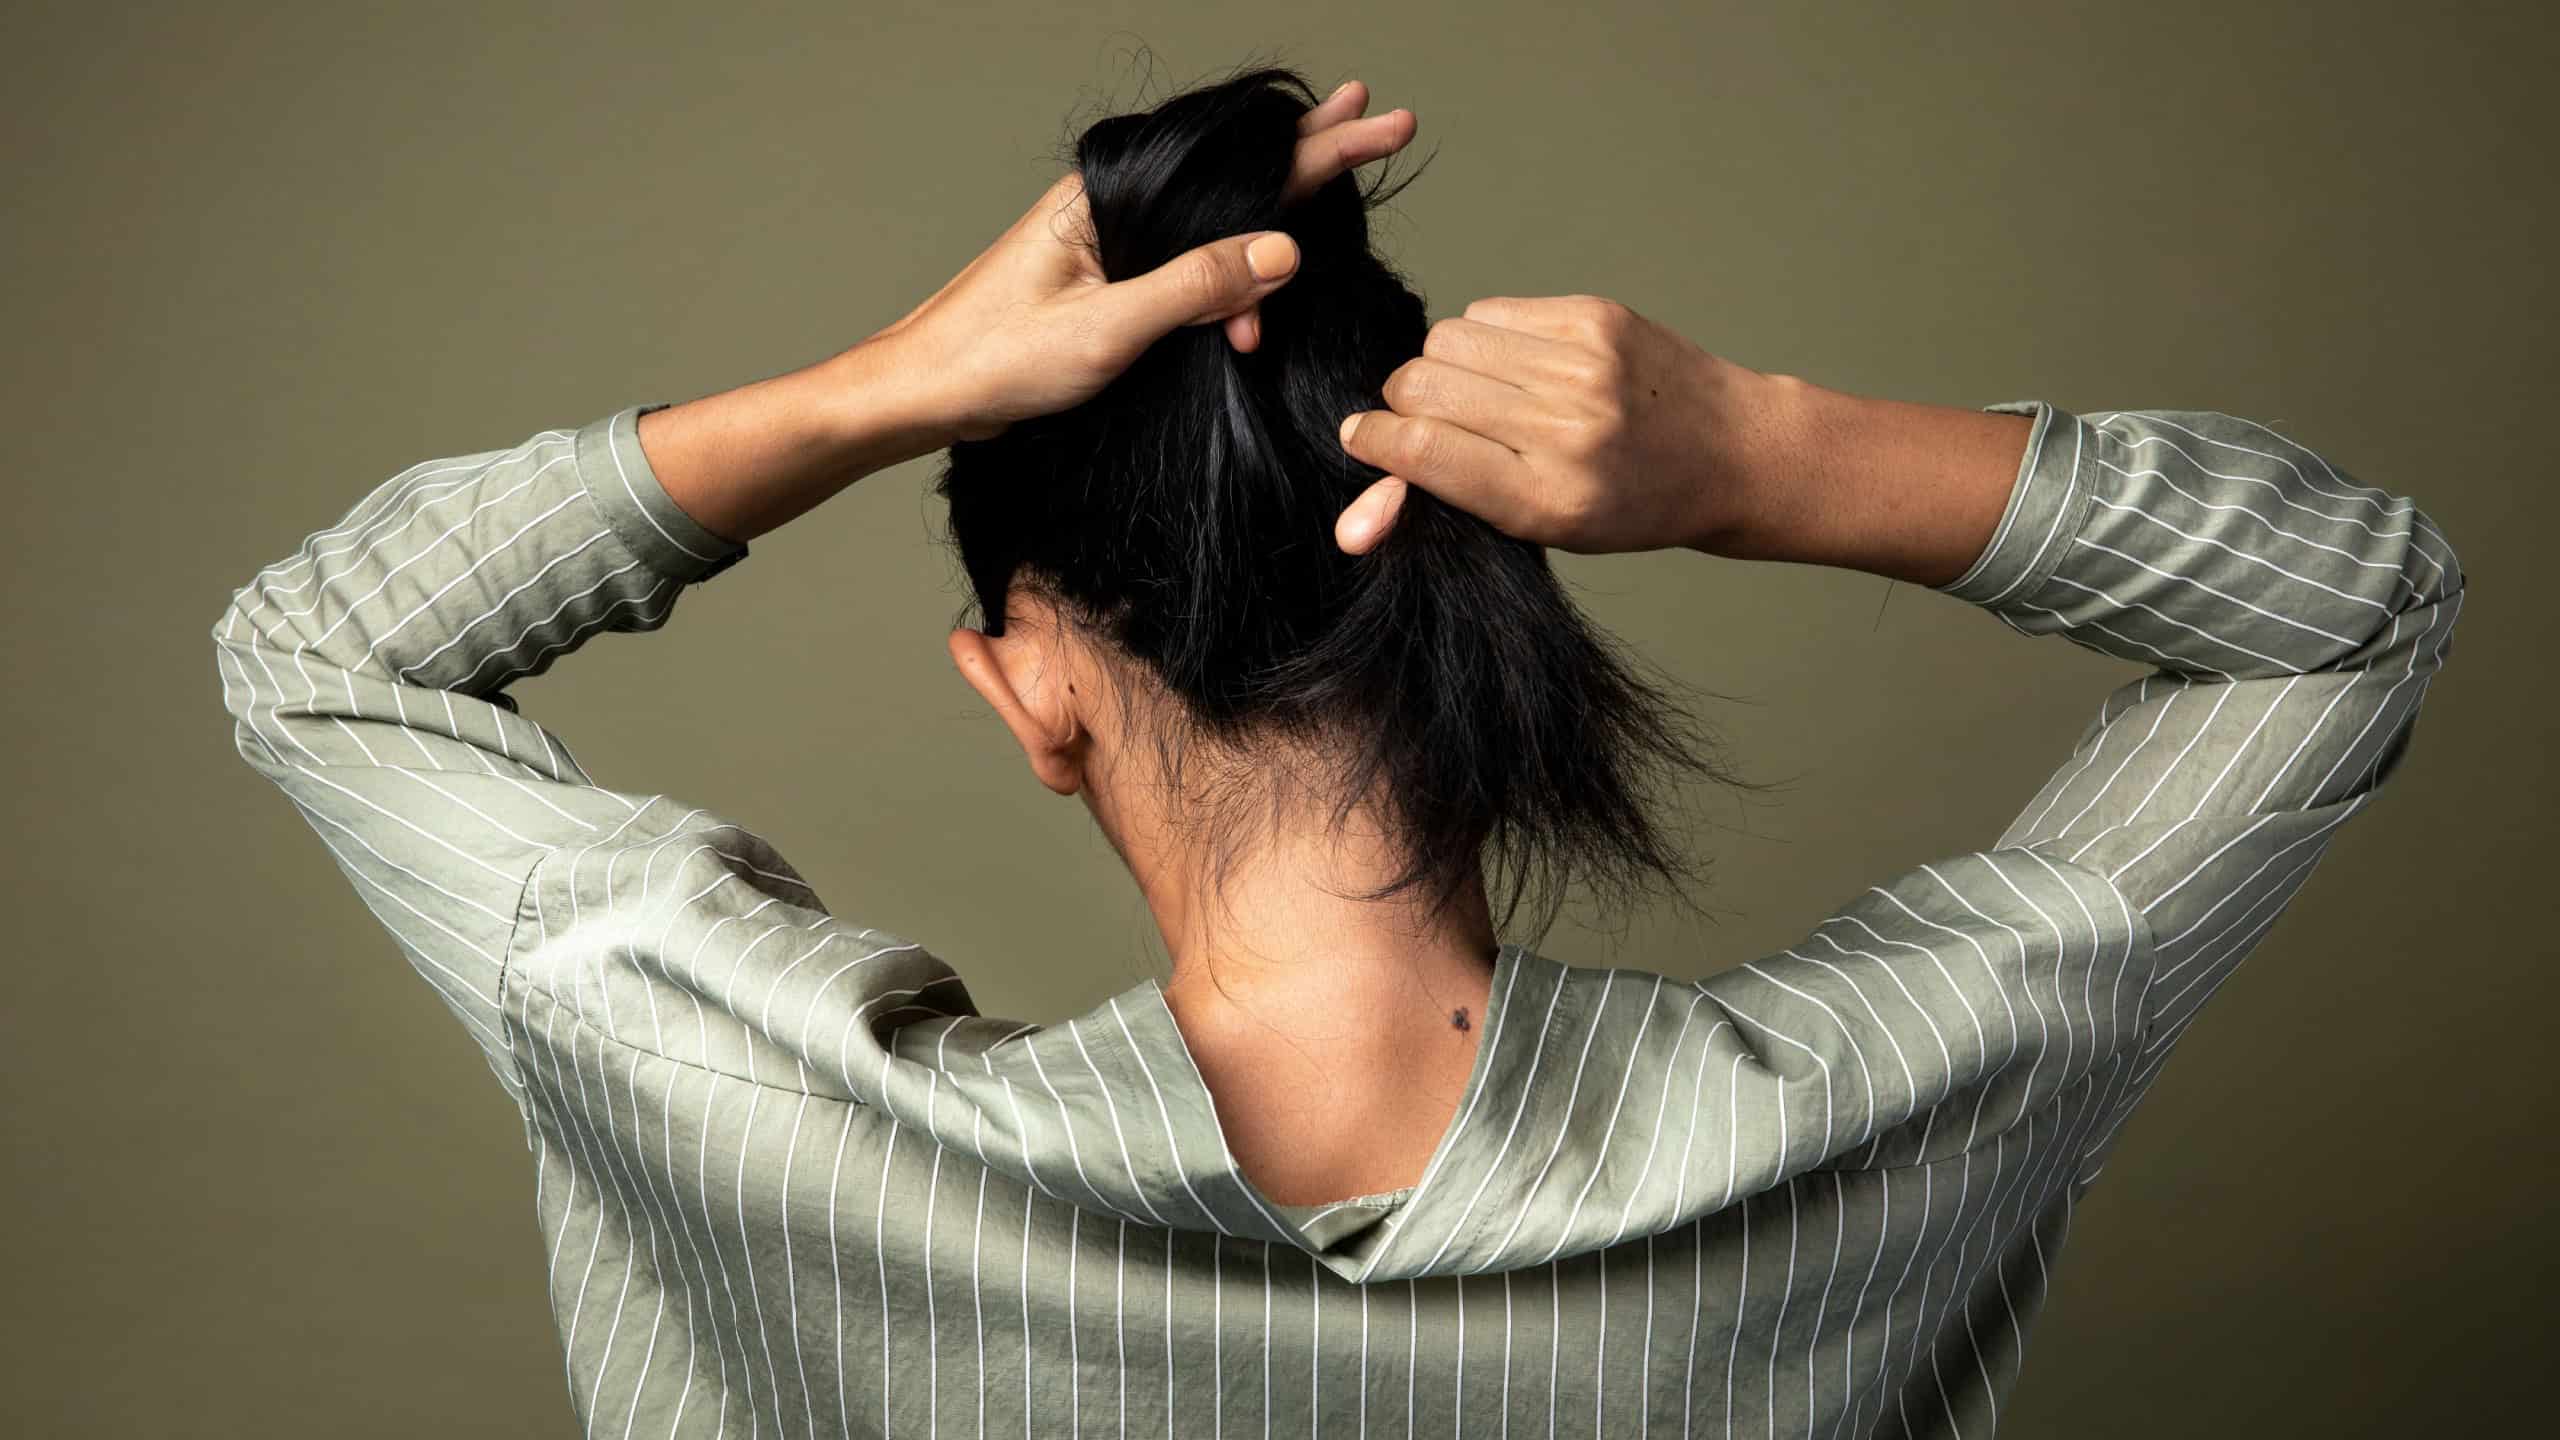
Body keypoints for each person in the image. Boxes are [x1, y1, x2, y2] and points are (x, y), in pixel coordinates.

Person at [211, 67, 2461, 1440]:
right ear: (1498, 593)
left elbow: (321, 651)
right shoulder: (1907, 1108)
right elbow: (2346, 607)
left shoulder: (694, 1076)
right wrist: (1764, 454)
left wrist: (879, 383)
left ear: (1027, 688)